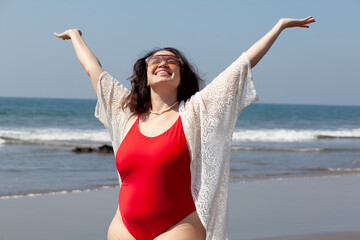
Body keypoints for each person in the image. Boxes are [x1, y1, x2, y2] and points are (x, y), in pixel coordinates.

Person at [54, 16, 315, 240]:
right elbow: (93, 70)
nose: (163, 63)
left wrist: (279, 27)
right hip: (123, 227)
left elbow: (241, 67)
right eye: (156, 60)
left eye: (172, 61)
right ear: (145, 75)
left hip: (178, 226)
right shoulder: (126, 114)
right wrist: (75, 36)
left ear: (182, 76)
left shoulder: (195, 112)